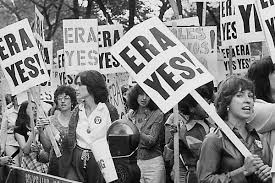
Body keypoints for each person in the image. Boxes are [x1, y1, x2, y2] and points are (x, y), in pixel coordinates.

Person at [197, 75, 272, 183]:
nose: (248, 100)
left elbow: (268, 170)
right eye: (240, 95)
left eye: (250, 96)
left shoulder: (260, 137)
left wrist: (269, 174)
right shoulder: (213, 139)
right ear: (226, 102)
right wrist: (243, 171)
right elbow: (204, 180)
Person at [60, 70, 115, 183]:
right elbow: (70, 139)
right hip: (77, 161)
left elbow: (114, 141)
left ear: (91, 85)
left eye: (80, 84)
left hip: (101, 163)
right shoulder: (77, 110)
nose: (76, 88)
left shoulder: (108, 109)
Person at [164, 82, 214, 183]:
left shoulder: (210, 123)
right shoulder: (186, 131)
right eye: (203, 103)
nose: (208, 105)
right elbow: (205, 155)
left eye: (208, 102)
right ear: (191, 108)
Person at [125, 84, 166, 183]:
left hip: (153, 164)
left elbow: (151, 141)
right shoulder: (130, 115)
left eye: (147, 95)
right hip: (134, 163)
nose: (144, 98)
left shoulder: (157, 114)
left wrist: (136, 131)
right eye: (140, 94)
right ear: (135, 96)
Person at [37, 85, 78, 176]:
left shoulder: (78, 119)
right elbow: (47, 147)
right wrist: (40, 131)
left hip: (74, 163)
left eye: (66, 98)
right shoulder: (50, 120)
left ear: (72, 101)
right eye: (60, 98)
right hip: (56, 164)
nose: (63, 101)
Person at [14, 101, 48, 173]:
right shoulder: (19, 129)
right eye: (32, 108)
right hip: (29, 161)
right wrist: (33, 134)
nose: (35, 111)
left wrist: (41, 131)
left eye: (36, 108)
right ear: (24, 111)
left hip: (43, 159)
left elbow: (47, 146)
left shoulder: (40, 125)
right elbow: (25, 150)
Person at [0, 95, 20, 166]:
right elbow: (3, 131)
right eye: (16, 99)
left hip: (23, 142)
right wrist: (2, 148)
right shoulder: (8, 113)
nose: (18, 101)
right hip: (11, 142)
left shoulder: (25, 110)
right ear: (13, 100)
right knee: (15, 165)